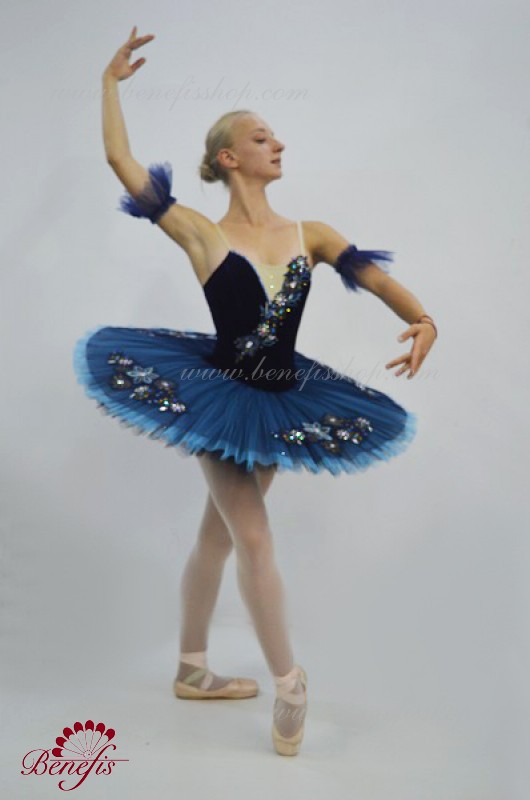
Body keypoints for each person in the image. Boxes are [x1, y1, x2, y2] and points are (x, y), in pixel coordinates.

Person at [73, 27, 438, 757]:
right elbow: (122, 162)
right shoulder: (202, 234)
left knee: (218, 536)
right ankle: (290, 682)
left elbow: (375, 279)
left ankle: (190, 669)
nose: (279, 144)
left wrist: (424, 319)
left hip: (280, 399)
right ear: (227, 158)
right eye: (262, 137)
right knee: (254, 536)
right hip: (220, 397)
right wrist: (109, 84)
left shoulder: (311, 233)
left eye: (278, 136)